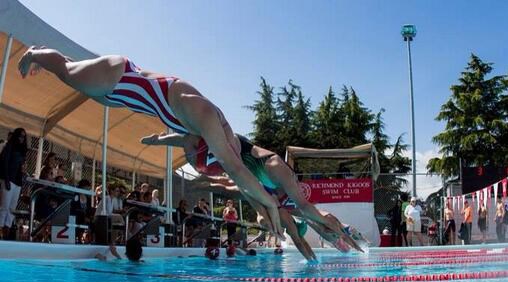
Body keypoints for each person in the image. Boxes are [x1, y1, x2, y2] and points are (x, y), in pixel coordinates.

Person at [18, 46, 283, 239]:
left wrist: (261, 205)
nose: (189, 155)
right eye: (194, 156)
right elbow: (236, 168)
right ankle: (34, 52)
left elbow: (236, 175)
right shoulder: (205, 115)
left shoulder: (205, 132)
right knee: (66, 72)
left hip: (121, 95)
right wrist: (271, 202)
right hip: (118, 76)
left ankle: (47, 58)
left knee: (74, 74)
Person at [141, 132, 362, 253]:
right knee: (308, 216)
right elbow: (229, 187)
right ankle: (342, 234)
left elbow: (184, 140)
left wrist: (158, 141)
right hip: (267, 184)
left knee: (309, 213)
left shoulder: (227, 143)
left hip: (269, 171)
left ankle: (343, 233)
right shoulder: (240, 174)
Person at [0, 128, 28, 239]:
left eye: (23, 137)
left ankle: (7, 228)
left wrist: (23, 172)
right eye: (20, 136)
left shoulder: (22, 150)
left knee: (12, 208)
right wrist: (6, 179)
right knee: (4, 206)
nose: (22, 138)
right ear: (16, 136)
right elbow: (4, 163)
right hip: (9, 179)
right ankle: (1, 228)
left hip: (17, 181)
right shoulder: (9, 147)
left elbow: (21, 166)